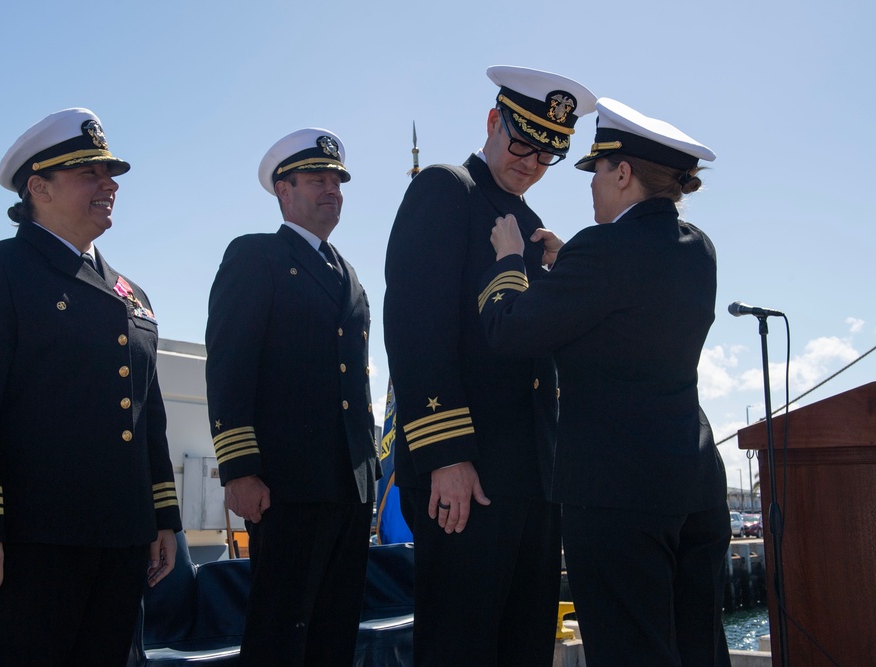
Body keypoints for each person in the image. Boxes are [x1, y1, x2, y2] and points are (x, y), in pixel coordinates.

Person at [0, 108, 181, 667]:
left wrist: (163, 518)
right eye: (90, 172)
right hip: (25, 547)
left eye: (110, 174)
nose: (109, 185)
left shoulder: (130, 292)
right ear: (38, 186)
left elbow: (146, 417)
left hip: (118, 541)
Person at [479, 98, 731, 666]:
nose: (590, 184)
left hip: (619, 492)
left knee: (630, 652)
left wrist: (508, 263)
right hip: (694, 483)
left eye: (595, 171)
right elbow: (630, 311)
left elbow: (509, 330)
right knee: (698, 650)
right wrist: (570, 267)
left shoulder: (602, 250)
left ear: (622, 172)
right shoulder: (698, 248)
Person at [383, 66, 597, 665]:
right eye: (522, 140)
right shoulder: (445, 190)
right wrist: (446, 455)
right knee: (461, 646)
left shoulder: (531, 228)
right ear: (491, 121)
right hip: (465, 476)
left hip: (530, 479)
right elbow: (414, 330)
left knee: (523, 646)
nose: (531, 161)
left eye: (548, 152)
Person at [204, 128, 379, 666]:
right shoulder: (256, 257)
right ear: (283, 190)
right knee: (281, 634)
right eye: (317, 179)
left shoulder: (347, 272)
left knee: (334, 634)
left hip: (347, 486)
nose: (333, 190)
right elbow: (230, 366)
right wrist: (239, 470)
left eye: (338, 181)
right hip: (286, 484)